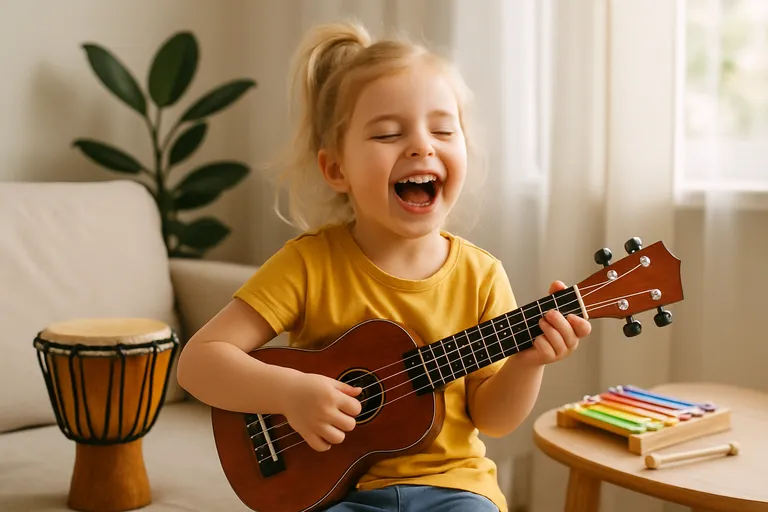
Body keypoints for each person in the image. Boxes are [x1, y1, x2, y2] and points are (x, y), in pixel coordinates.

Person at [176, 20, 591, 512]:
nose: (422, 146)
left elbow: (493, 419)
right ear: (337, 169)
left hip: (455, 489)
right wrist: (291, 393)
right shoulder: (309, 264)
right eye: (389, 133)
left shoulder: (482, 277)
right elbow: (198, 363)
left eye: (442, 129)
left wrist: (528, 362)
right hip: (336, 494)